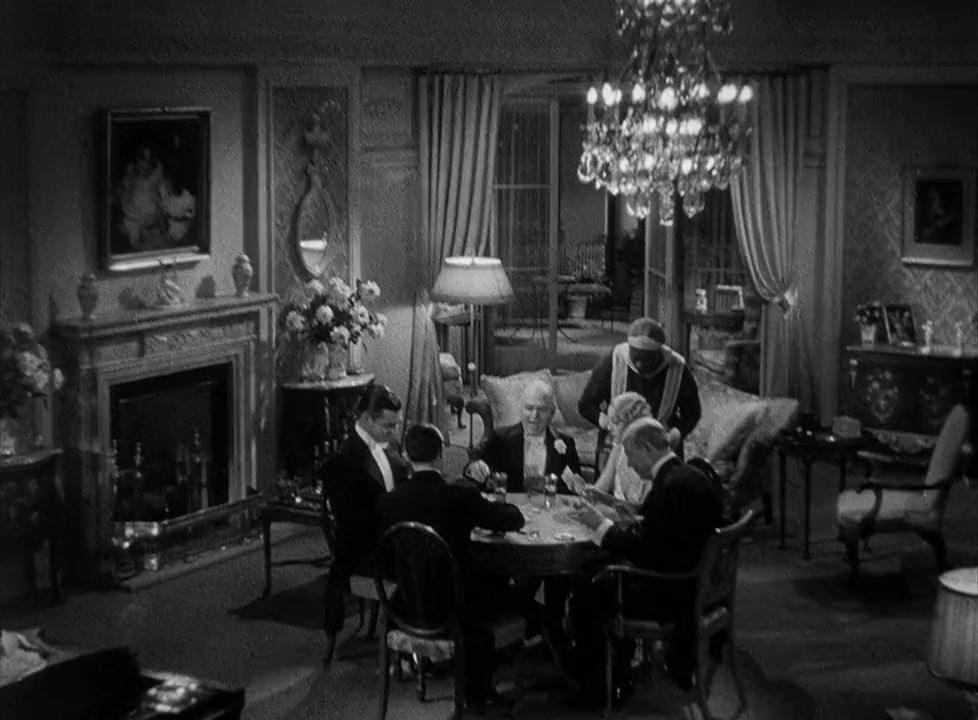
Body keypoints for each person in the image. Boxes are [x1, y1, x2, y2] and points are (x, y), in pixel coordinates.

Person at [567, 417, 724, 707]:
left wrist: (599, 524)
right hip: (695, 583)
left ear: (648, 449)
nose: (629, 462)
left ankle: (597, 688)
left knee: (587, 593)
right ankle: (618, 670)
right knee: (594, 567)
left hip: (671, 594)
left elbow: (646, 552)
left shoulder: (669, 485)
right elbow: (664, 532)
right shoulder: (685, 475)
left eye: (630, 454)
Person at [375, 423, 527, 711]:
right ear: (440, 456)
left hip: (407, 606)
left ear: (406, 456)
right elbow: (510, 520)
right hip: (455, 607)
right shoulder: (458, 496)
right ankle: (483, 687)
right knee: (510, 594)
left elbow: (385, 559)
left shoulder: (387, 502)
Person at [322, 383, 410, 634]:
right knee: (424, 562)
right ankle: (405, 635)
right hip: (366, 549)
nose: (393, 432)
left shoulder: (390, 444)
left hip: (395, 535)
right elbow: (353, 522)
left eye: (396, 425)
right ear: (365, 419)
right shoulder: (345, 460)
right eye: (388, 425)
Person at [577, 317, 701, 454]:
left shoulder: (677, 368)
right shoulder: (614, 360)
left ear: (659, 353)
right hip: (617, 442)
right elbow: (586, 405)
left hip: (661, 443)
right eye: (636, 358)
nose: (640, 365)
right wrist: (606, 422)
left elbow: (692, 412)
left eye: (647, 360)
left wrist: (677, 433)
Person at [465, 379, 582, 494]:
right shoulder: (500, 438)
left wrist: (577, 485)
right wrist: (474, 468)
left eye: (542, 409)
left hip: (549, 505)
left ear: (552, 413)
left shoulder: (567, 443)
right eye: (529, 408)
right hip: (509, 505)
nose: (534, 415)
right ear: (521, 409)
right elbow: (472, 467)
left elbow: (574, 487)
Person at [573, 392, 654, 512]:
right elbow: (599, 490)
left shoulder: (652, 459)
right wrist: (584, 490)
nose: (609, 427)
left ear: (633, 424)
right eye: (609, 421)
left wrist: (604, 505)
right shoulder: (618, 450)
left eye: (615, 422)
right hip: (615, 518)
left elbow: (641, 512)